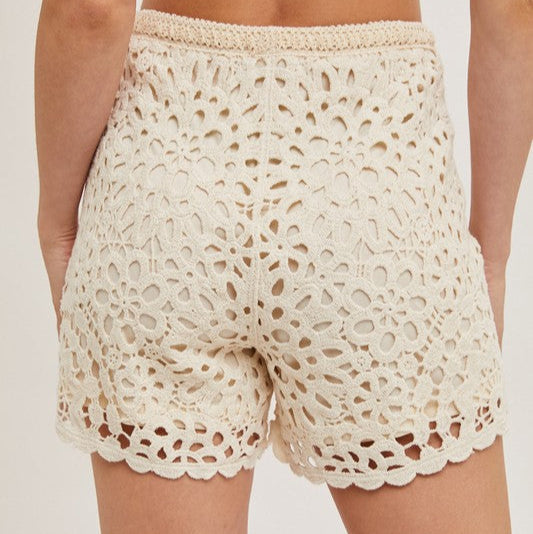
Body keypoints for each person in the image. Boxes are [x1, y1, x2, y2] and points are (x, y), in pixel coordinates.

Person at [34, 0, 531, 532]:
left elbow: (89, 10)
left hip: (166, 189)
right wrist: (494, 253)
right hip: (375, 192)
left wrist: (56, 224)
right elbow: (510, 12)